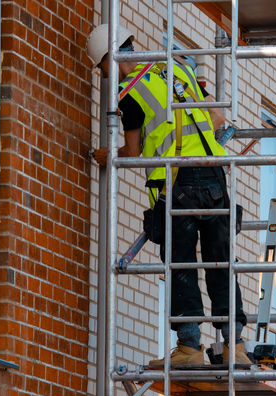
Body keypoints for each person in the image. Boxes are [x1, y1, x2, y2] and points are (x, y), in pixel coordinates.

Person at [86, 24, 250, 367]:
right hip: (215, 176)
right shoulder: (176, 66)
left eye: (103, 69)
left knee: (181, 265)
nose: (106, 76)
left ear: (111, 60)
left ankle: (190, 348)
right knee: (220, 263)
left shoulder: (129, 92)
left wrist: (108, 155)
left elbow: (132, 151)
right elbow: (216, 116)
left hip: (179, 184)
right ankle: (234, 347)